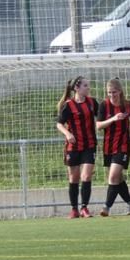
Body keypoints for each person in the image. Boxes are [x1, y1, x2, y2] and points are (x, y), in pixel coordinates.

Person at [95, 77, 130, 216]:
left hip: (123, 146)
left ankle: (106, 207)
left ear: (120, 91)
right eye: (109, 92)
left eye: (114, 92)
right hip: (108, 147)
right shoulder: (104, 105)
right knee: (117, 179)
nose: (111, 95)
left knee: (113, 176)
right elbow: (98, 125)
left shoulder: (127, 105)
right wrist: (113, 119)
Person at [56, 75, 99, 218]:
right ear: (77, 88)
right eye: (85, 85)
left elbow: (101, 118)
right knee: (73, 178)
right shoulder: (68, 105)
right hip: (73, 146)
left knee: (86, 175)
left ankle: (84, 208)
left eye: (88, 85)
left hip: (89, 145)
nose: (88, 88)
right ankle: (74, 209)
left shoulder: (92, 102)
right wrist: (68, 134)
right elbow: (59, 124)